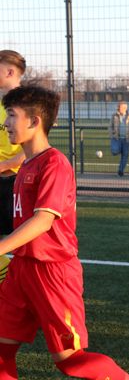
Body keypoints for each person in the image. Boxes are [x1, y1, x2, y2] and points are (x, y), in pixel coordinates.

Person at [0, 86, 129, 380]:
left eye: (11, 115)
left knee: (71, 361)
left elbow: (43, 221)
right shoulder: (25, 165)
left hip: (53, 273)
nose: (5, 123)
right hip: (21, 269)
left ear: (33, 122)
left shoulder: (55, 163)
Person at [0, 50, 26, 285]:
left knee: (26, 245)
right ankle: (8, 291)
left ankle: (24, 293)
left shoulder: (29, 102)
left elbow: (33, 148)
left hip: (19, 183)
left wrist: (4, 166)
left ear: (9, 71)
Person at [109, 101, 129, 176]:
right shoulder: (114, 116)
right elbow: (110, 126)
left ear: (125, 108)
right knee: (114, 151)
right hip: (117, 138)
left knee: (125, 155)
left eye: (119, 107)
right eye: (118, 106)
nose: (117, 108)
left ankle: (120, 171)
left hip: (127, 139)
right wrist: (112, 134)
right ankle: (119, 149)